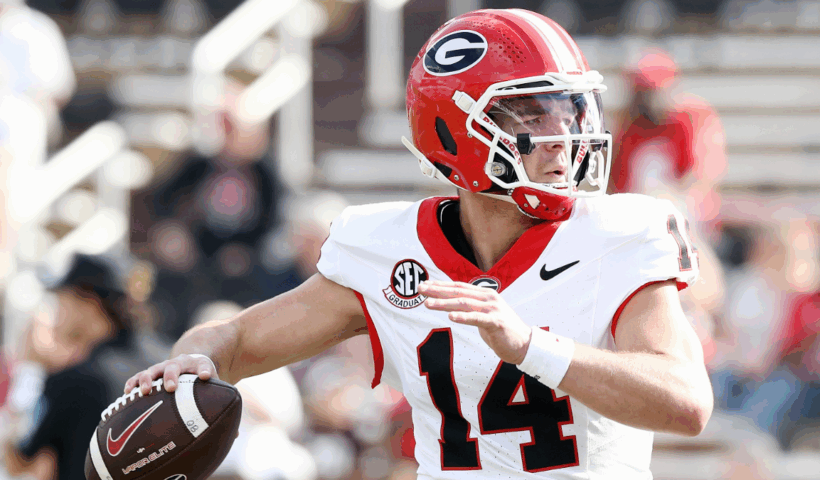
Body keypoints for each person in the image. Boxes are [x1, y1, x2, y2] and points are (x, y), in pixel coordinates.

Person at [124, 9, 713, 478]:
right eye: (533, 114)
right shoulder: (385, 248)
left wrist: (531, 347)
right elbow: (234, 339)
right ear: (453, 132)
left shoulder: (619, 233)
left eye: (570, 109)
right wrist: (195, 360)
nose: (564, 138)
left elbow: (685, 401)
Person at [2, 255, 159, 480]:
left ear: (87, 302)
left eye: (61, 300)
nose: (57, 313)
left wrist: (28, 370)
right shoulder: (163, 359)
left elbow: (19, 462)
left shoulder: (73, 379)